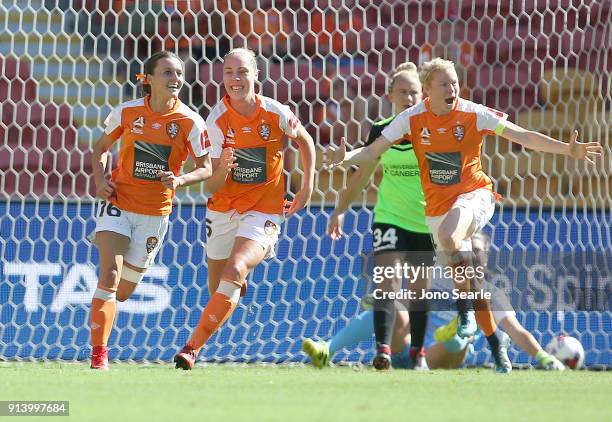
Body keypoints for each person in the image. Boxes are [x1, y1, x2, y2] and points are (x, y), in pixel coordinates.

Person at [323, 57, 601, 372]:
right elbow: (372, 152)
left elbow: (521, 135)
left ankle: (464, 315)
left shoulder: (472, 113)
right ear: (428, 90)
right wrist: (344, 156)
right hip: (438, 209)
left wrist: (568, 149)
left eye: (454, 82)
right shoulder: (412, 119)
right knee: (471, 281)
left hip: (476, 195)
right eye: (444, 83)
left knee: (449, 238)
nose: (452, 88)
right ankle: (498, 349)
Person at [174, 48, 316, 370]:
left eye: (242, 72)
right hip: (223, 209)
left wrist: (306, 186)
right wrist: (223, 166)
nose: (235, 79)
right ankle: (235, 284)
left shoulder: (275, 112)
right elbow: (210, 186)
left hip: (265, 209)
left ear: (255, 76)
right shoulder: (217, 120)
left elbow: (305, 140)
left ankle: (191, 348)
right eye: (228, 73)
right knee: (218, 290)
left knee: (235, 270)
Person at [89, 51, 217, 370]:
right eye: (168, 73)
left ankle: (106, 313)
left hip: (155, 214)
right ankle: (99, 355)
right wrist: (100, 178)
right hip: (119, 203)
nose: (176, 79)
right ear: (149, 79)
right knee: (110, 275)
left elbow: (206, 168)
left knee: (124, 292)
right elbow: (101, 148)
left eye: (179, 74)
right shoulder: (128, 112)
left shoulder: (190, 121)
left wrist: (181, 179)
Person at [302, 62, 431, 370]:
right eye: (402, 92)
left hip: (426, 220)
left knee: (418, 292)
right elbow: (362, 175)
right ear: (390, 95)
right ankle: (383, 351)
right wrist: (339, 210)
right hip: (389, 217)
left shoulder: (431, 128)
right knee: (386, 283)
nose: (408, 98)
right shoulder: (382, 129)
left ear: (423, 94)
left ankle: (417, 353)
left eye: (414, 92)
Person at [427, 231, 565, 371]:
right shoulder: (438, 277)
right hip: (414, 345)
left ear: (486, 257)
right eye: (467, 250)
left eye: (477, 250)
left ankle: (457, 334)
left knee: (461, 339)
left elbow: (515, 329)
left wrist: (543, 357)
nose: (472, 255)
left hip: (448, 354)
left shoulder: (492, 295)